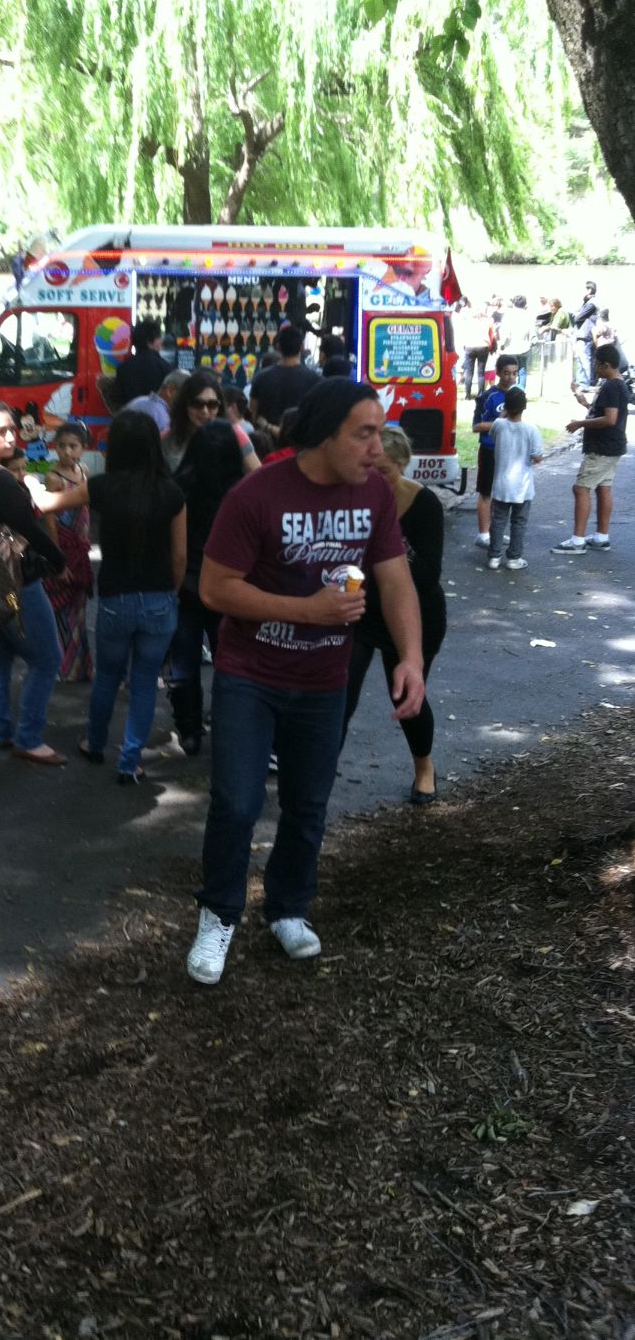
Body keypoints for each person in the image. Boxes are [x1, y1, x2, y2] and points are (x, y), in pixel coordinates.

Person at [187, 379, 425, 983]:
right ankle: (218, 915)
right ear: (323, 435)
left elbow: (395, 579)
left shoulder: (374, 493)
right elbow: (215, 589)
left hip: (323, 680)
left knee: (308, 804)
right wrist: (309, 612)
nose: (378, 449)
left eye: (379, 433)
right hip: (250, 675)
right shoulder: (257, 494)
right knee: (237, 803)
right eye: (364, 434)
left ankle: (288, 908)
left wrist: (411, 658)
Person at [37, 409, 185, 783]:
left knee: (106, 676)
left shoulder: (101, 486)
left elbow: (48, 503)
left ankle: (96, 743)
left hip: (116, 599)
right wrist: (171, 592)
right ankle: (130, 761)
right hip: (159, 598)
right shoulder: (171, 492)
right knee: (144, 682)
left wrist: (27, 483)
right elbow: (180, 556)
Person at [0, 395, 68, 766]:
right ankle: (29, 738)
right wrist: (59, 563)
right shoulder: (1, 481)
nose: (11, 438)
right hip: (14, 580)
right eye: (1, 431)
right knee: (48, 658)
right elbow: (32, 531)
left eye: (12, 430)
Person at [340, 424, 447, 804]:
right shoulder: (353, 498)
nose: (374, 478)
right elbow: (344, 559)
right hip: (364, 612)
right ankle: (317, 769)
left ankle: (424, 769)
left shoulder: (425, 504)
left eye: (383, 471)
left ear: (403, 465)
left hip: (416, 614)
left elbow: (427, 575)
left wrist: (389, 540)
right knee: (339, 692)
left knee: (404, 697)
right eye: (369, 468)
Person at [167, 419, 244, 755]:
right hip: (228, 590)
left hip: (187, 586)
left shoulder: (180, 487)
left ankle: (189, 729)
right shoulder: (241, 493)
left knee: (184, 661)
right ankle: (228, 725)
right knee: (229, 661)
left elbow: (176, 550)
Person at [552, 342, 628, 553]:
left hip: (602, 448)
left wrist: (580, 423)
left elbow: (610, 419)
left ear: (606, 365)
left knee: (581, 488)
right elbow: (605, 412)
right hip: (612, 446)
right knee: (603, 487)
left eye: (596, 363)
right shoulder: (618, 384)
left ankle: (577, 540)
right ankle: (601, 536)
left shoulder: (611, 386)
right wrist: (585, 403)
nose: (594, 367)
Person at [44, 421, 94, 683]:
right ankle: (64, 666)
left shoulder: (84, 471)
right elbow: (50, 519)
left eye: (73, 446)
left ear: (83, 448)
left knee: (79, 607)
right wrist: (57, 558)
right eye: (61, 446)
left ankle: (81, 666)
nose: (66, 451)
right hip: (64, 547)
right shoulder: (54, 477)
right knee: (61, 607)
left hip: (81, 547)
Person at [487, 386, 543, 571]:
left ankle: (494, 556)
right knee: (519, 522)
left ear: (506, 406)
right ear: (524, 407)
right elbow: (537, 457)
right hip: (523, 486)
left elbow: (493, 434)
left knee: (498, 520)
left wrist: (503, 414)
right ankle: (514, 557)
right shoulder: (531, 429)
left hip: (501, 483)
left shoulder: (498, 425)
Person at [470, 354, 520, 548]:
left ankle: (495, 531)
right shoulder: (487, 397)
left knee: (501, 493)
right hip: (490, 449)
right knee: (486, 492)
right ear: (498, 373)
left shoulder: (517, 394)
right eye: (506, 373)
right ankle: (483, 534)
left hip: (510, 451)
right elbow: (476, 426)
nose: (510, 377)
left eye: (514, 373)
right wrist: (500, 421)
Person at [248, 324, 320, 440]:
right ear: (302, 347)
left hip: (268, 445)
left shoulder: (260, 378)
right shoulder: (315, 380)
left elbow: (253, 415)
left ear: (278, 348)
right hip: (300, 444)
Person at [112, 317, 169, 408]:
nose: (161, 342)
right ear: (149, 342)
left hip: (130, 414)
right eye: (158, 338)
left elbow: (117, 400)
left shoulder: (123, 367)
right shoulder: (164, 367)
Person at [126, 366, 187, 434]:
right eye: (186, 395)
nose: (188, 402)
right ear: (170, 390)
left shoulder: (139, 400)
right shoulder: (161, 418)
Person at [459, 301, 494, 400]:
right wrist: (490, 345)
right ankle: (480, 394)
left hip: (470, 346)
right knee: (481, 372)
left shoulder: (467, 321)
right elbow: (491, 335)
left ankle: (467, 395)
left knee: (469, 372)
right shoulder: (488, 321)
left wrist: (464, 345)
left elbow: (463, 333)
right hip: (483, 346)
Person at [572, 281, 598, 391]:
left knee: (584, 360)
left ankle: (584, 384)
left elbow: (577, 318)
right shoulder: (587, 303)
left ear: (589, 290)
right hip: (583, 335)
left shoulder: (591, 304)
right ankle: (581, 383)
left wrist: (575, 314)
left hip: (585, 335)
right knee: (580, 360)